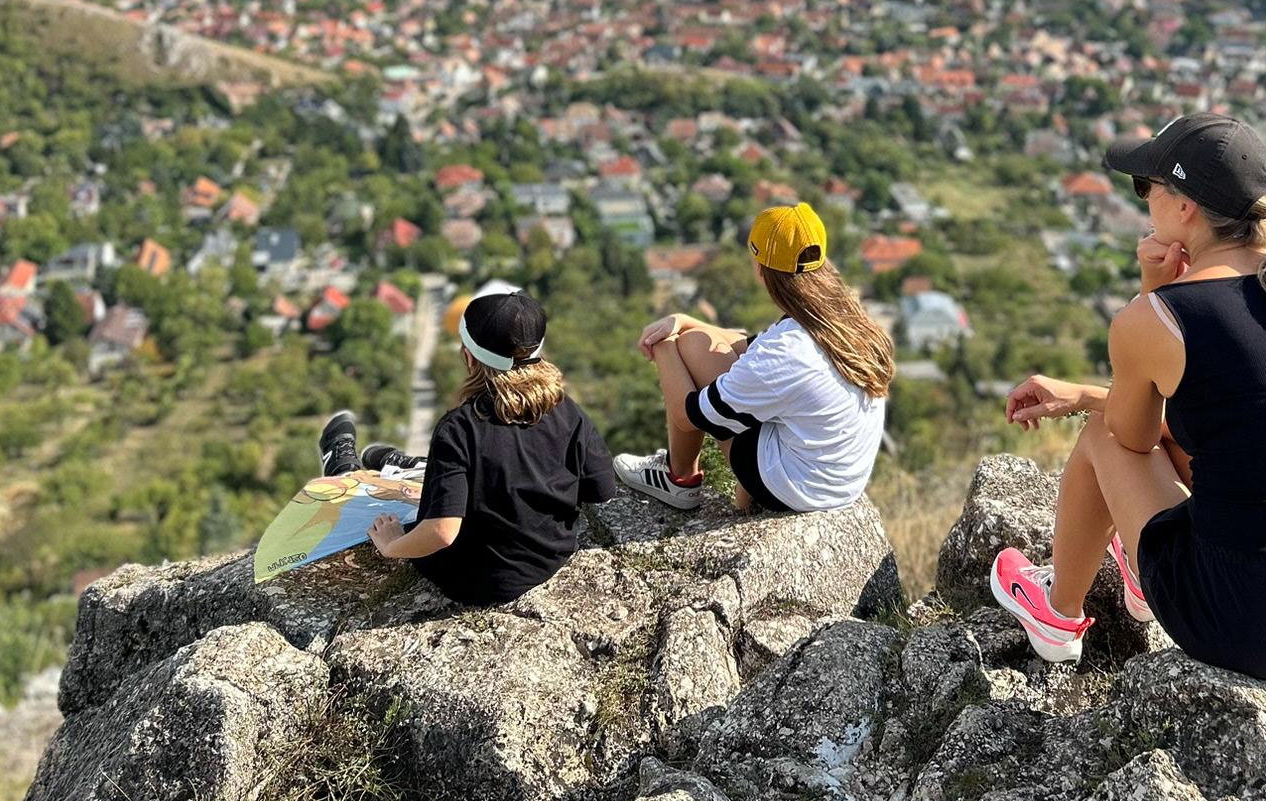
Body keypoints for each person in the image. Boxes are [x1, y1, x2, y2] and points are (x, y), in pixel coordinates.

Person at [990, 113, 1266, 680]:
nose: (1143, 201)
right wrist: (1087, 392)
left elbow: (1129, 436)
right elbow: (1242, 421)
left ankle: (1057, 615)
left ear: (1184, 205)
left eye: (1148, 187)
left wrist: (1152, 294)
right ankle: (1140, 578)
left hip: (1251, 625)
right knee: (1204, 444)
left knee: (1103, 438)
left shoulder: (1160, 317)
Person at [613, 202, 894, 515]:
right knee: (697, 342)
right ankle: (684, 477)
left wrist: (664, 345)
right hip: (840, 478)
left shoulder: (786, 351)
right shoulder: (843, 317)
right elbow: (747, 347)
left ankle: (679, 479)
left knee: (690, 348)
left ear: (760, 267)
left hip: (796, 489)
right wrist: (682, 320)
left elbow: (687, 415)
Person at [351, 286, 616, 605]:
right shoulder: (565, 409)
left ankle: (352, 468)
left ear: (468, 356)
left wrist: (392, 545)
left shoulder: (459, 429)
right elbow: (601, 489)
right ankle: (415, 466)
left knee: (381, 488)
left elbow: (442, 532)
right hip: (549, 559)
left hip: (475, 580)